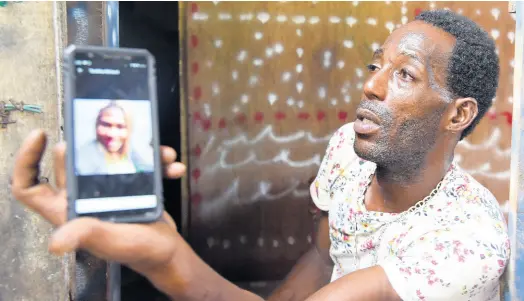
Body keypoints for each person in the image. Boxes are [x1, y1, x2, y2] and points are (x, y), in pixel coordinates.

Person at [11, 10, 509, 301]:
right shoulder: (349, 151)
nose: (371, 84)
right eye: (376, 64)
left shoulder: (466, 242)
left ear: (457, 114)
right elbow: (321, 254)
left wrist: (166, 258)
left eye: (405, 75)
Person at [76, 101, 154, 175]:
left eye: (120, 127)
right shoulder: (81, 161)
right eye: (106, 125)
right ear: (96, 126)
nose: (112, 134)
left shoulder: (134, 152)